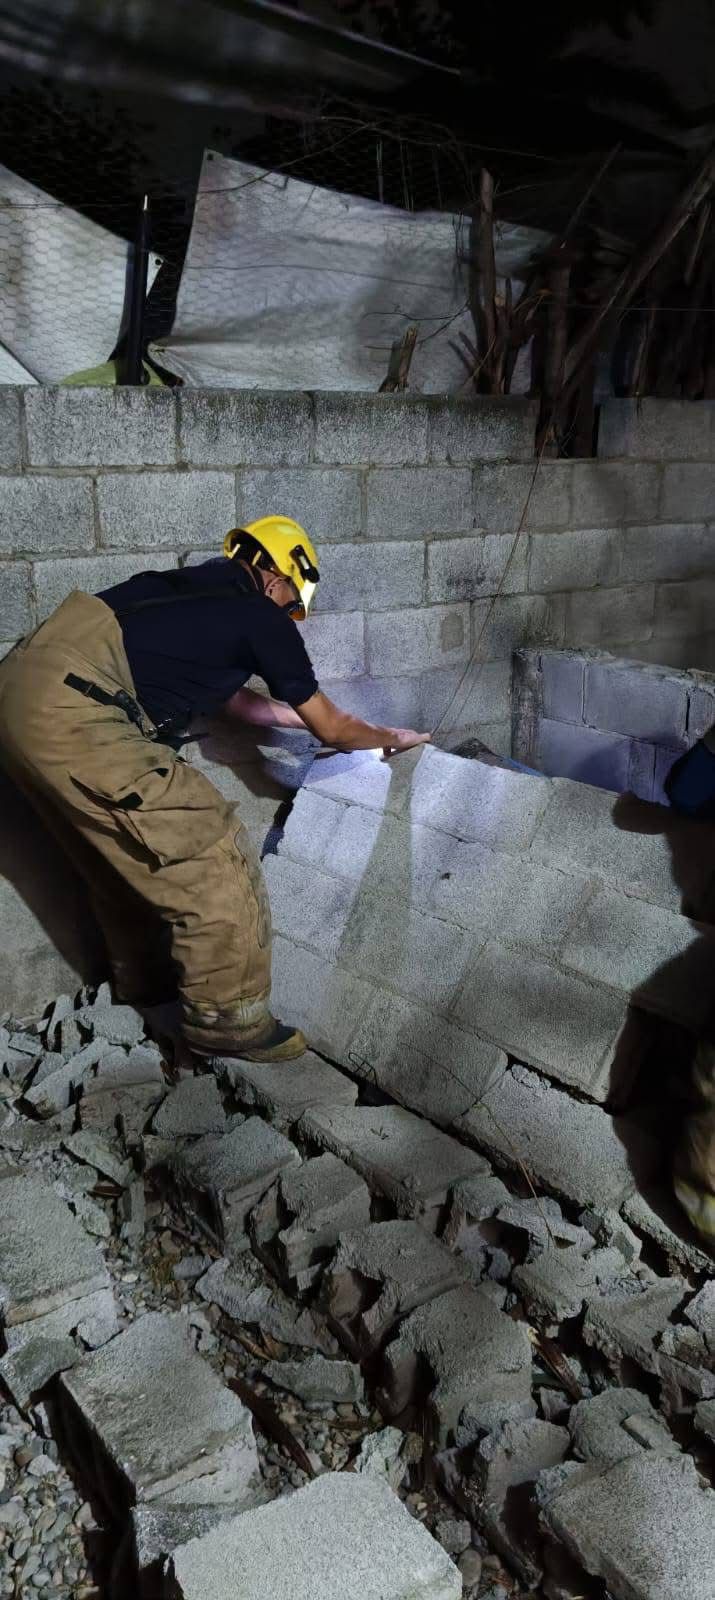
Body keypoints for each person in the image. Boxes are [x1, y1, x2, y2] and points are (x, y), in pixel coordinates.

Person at [0, 516, 430, 1064]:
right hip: (76, 712)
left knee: (121, 853)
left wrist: (299, 721)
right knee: (208, 843)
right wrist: (389, 735)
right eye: (291, 603)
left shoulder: (186, 593)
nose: (288, 615)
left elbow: (238, 704)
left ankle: (146, 986)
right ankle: (229, 1019)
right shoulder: (257, 615)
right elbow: (335, 728)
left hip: (20, 696)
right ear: (278, 575)